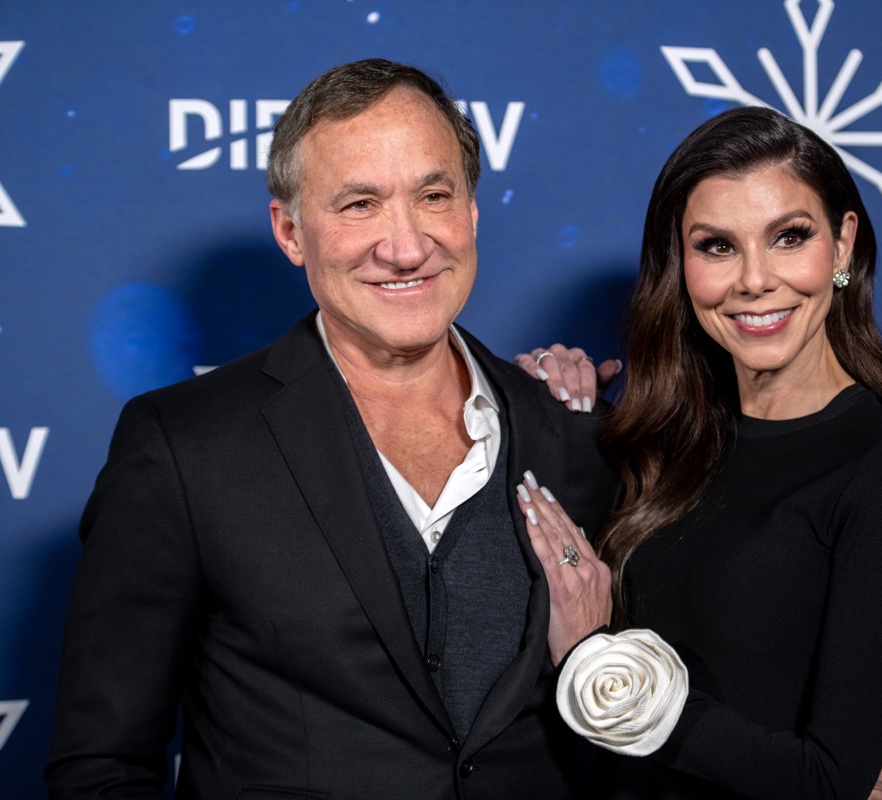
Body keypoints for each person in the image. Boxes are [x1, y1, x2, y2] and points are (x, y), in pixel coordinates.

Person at [44, 58, 619, 798]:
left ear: (472, 212)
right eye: (359, 205)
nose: (406, 246)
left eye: (433, 195)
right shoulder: (184, 446)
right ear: (290, 230)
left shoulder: (571, 429)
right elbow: (102, 764)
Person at [514, 106, 882, 799]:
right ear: (680, 264)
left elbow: (828, 782)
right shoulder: (656, 438)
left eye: (788, 238)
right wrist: (541, 407)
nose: (754, 280)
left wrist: (603, 669)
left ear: (842, 246)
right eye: (717, 246)